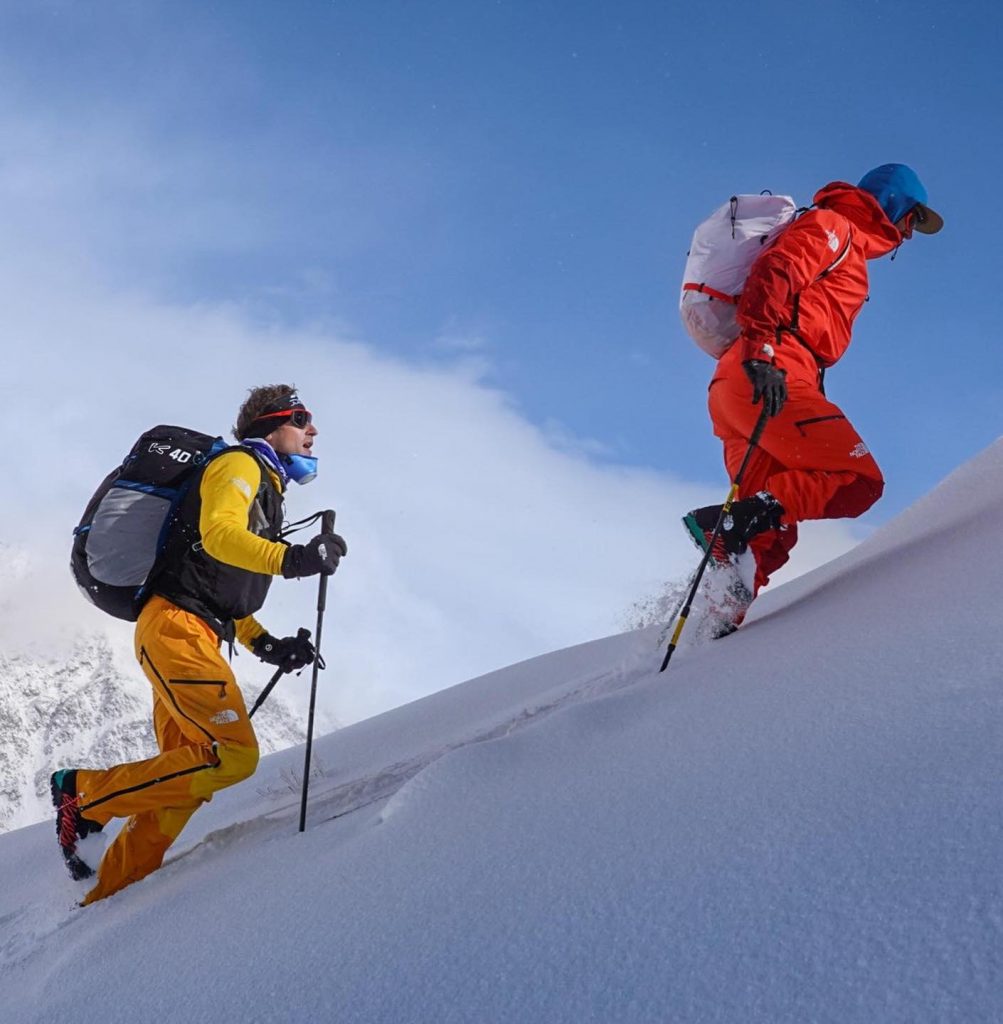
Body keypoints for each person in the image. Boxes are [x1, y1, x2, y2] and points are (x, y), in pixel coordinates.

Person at [50, 384, 347, 904]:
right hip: (177, 630)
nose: (313, 430)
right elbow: (218, 535)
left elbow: (218, 586)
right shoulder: (241, 466)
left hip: (190, 630)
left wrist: (268, 646)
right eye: (301, 419)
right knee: (233, 756)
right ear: (268, 425)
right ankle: (84, 794)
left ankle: (112, 892)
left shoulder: (264, 487)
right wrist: (294, 560)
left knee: (188, 775)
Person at [684, 163, 942, 632]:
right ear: (896, 206)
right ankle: (726, 525)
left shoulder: (845, 242)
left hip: (743, 384)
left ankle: (712, 630)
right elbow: (777, 267)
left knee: (768, 532)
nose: (910, 234)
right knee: (858, 479)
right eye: (912, 220)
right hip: (767, 371)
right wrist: (763, 349)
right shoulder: (833, 226)